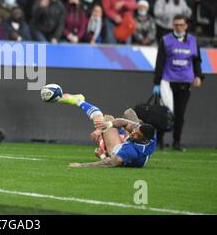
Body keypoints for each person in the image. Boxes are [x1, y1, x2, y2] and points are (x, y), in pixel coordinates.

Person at [58, 93, 156, 168]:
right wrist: (106, 126)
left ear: (144, 139)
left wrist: (85, 163)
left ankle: (79, 101)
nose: (133, 132)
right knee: (128, 113)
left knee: (106, 118)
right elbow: (124, 121)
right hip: (129, 143)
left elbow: (111, 162)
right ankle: (80, 102)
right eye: (135, 130)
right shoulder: (149, 135)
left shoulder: (130, 151)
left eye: (137, 134)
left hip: (118, 150)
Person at [152, 15, 203, 151]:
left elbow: (197, 60)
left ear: (186, 26)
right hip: (167, 81)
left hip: (185, 81)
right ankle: (159, 142)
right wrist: (156, 83)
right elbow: (160, 62)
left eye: (181, 24)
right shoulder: (166, 40)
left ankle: (176, 142)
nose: (178, 27)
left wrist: (198, 76)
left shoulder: (193, 41)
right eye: (175, 25)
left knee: (180, 114)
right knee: (165, 113)